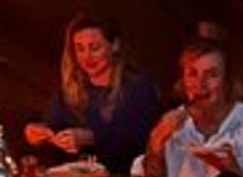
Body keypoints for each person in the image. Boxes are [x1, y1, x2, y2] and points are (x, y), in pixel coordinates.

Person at [23, 14, 163, 174]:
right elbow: (52, 127)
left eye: (94, 48)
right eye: (80, 49)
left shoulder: (139, 89)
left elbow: (137, 141)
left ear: (114, 45)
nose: (87, 57)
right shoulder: (69, 89)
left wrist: (91, 138)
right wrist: (39, 133)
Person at [141, 37, 243, 177]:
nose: (200, 85)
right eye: (192, 74)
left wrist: (237, 172)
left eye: (212, 75)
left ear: (226, 81)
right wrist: (156, 143)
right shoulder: (172, 125)